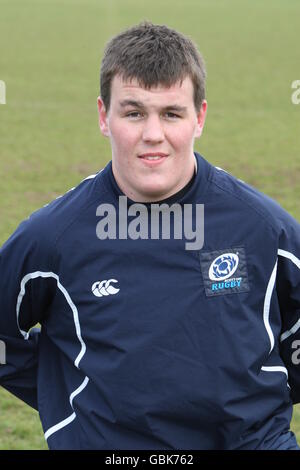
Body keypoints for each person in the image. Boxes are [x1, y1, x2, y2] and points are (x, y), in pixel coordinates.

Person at [0, 21, 300, 451]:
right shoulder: (52, 236)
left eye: (172, 113)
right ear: (105, 116)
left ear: (200, 117)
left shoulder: (263, 226)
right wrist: (64, 392)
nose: (153, 134)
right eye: (134, 112)